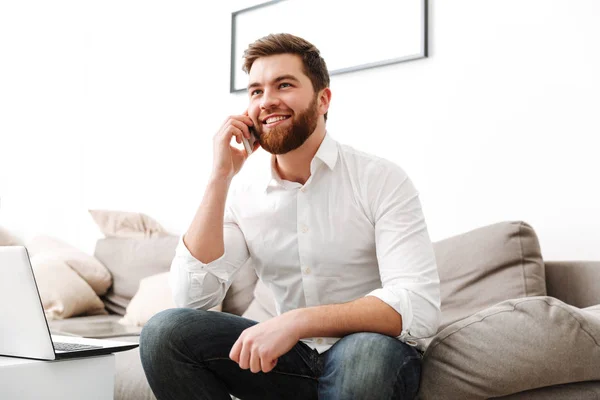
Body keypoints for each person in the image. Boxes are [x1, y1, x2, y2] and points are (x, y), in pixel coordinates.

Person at [140, 33, 441, 400]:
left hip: (372, 353)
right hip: (290, 362)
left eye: (284, 85)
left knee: (367, 353)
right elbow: (192, 299)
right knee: (164, 333)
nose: (267, 101)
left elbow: (418, 306)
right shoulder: (243, 193)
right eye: (255, 91)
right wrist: (220, 176)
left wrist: (296, 321)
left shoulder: (380, 179)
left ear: (323, 99)